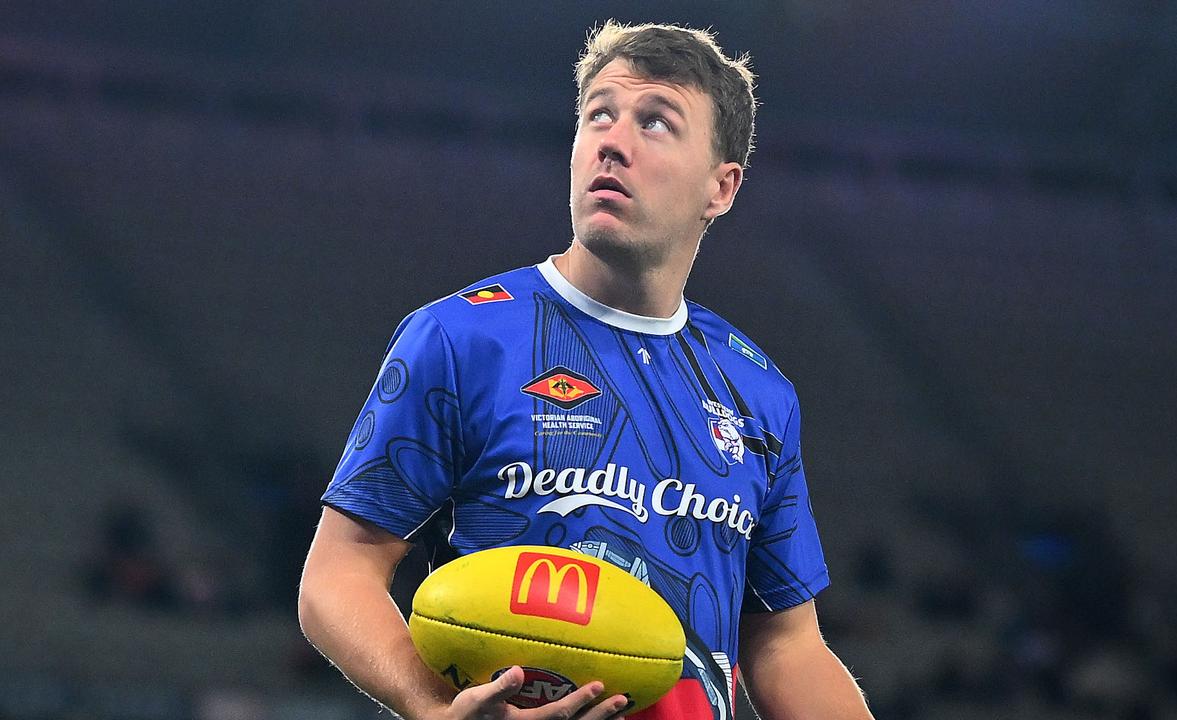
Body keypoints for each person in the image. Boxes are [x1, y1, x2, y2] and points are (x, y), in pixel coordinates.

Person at [298, 20, 875, 720]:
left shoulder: (757, 391)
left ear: (720, 189)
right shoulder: (460, 338)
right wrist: (433, 709)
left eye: (656, 123)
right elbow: (338, 574)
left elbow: (787, 646)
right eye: (598, 113)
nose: (613, 141)